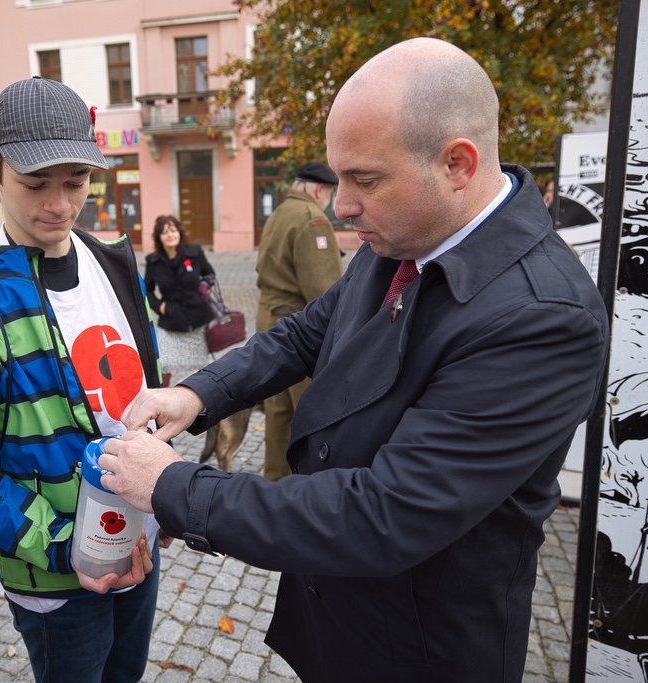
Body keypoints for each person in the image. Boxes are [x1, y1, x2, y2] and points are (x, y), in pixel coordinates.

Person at [98, 37, 609, 682]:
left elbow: (382, 515)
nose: (340, 204)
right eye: (340, 177)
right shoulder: (405, 229)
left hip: (422, 650)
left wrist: (172, 485)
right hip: (340, 615)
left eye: (364, 179)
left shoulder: (543, 317)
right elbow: (309, 331)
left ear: (457, 164)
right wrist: (199, 395)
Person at [0, 76, 162, 683]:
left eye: (75, 182)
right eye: (35, 183)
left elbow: (141, 394)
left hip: (142, 544)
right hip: (56, 578)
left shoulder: (113, 263)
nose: (59, 205)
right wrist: (66, 547)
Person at [255, 161, 344, 481]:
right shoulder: (312, 219)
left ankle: (275, 480)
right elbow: (324, 290)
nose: (330, 201)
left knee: (278, 412)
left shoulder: (279, 212)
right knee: (310, 411)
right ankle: (305, 487)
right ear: (320, 190)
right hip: (296, 326)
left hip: (269, 319)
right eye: (331, 193)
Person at [144, 214, 215, 384]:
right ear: (159, 237)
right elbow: (147, 289)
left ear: (179, 233)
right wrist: (159, 306)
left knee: (201, 367)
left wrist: (205, 285)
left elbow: (209, 273)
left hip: (198, 319)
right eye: (164, 232)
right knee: (164, 364)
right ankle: (163, 400)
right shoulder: (153, 262)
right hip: (171, 320)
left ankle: (202, 403)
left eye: (173, 230)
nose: (170, 235)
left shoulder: (195, 253)